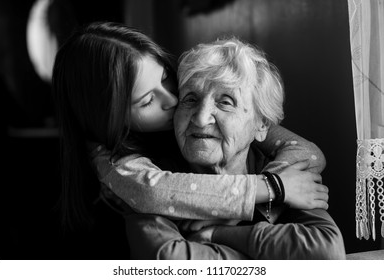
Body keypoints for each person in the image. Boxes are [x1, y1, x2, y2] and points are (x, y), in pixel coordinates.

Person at [52, 22, 328, 243]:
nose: (172, 100)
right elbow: (154, 193)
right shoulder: (114, 161)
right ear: (110, 119)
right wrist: (272, 189)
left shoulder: (242, 122)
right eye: (147, 101)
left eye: (165, 79)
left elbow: (307, 153)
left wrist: (266, 201)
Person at [122, 37, 346, 259]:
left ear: (261, 125)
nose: (200, 119)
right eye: (190, 99)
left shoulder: (284, 170)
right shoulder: (154, 178)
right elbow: (168, 262)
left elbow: (325, 250)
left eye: (225, 101)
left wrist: (218, 234)